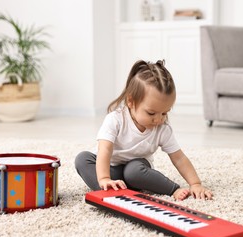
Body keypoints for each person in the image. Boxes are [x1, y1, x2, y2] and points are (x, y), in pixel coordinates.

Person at [75, 60, 213, 201]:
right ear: (131, 102)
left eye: (164, 113)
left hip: (136, 171)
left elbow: (179, 158)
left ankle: (171, 189)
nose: (159, 119)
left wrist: (195, 183)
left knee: (133, 171)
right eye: (151, 113)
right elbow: (105, 150)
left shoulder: (163, 129)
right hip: (111, 170)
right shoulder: (115, 119)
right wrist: (104, 178)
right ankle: (110, 189)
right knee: (82, 159)